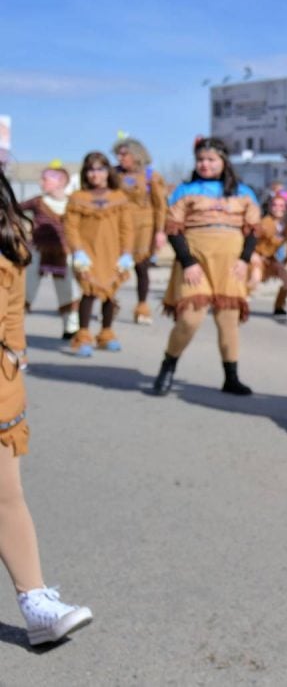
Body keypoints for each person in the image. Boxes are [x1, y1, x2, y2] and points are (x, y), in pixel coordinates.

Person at [0, 169, 94, 646]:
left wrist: (14, 359)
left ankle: (35, 603)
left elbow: (12, 314)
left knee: (5, 494)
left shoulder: (7, 234)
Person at [150, 137, 261, 397]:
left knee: (228, 322)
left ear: (223, 162)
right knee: (190, 319)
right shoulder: (185, 191)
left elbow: (253, 230)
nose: (205, 164)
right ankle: (168, 365)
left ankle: (231, 378)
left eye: (211, 159)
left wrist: (245, 260)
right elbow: (174, 229)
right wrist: (187, 262)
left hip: (231, 265)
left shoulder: (243, 193)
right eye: (200, 159)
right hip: (195, 263)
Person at [64, 152, 135, 358]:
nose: (95, 174)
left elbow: (127, 228)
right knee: (89, 291)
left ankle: (106, 333)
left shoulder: (119, 197)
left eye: (100, 169)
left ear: (108, 172)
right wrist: (77, 251)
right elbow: (71, 227)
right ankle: (83, 335)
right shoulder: (78, 198)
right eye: (91, 170)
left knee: (110, 292)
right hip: (87, 252)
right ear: (85, 173)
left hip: (113, 251)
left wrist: (127, 253)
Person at [20, 162, 81, 340]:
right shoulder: (37, 201)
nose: (41, 182)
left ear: (61, 181)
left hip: (64, 252)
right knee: (26, 288)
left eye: (45, 178)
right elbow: (14, 210)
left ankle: (71, 327)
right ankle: (14, 324)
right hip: (38, 250)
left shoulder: (73, 203)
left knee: (68, 290)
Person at [113, 136, 167, 325]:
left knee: (141, 267)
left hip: (144, 227)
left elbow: (160, 206)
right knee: (114, 266)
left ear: (136, 155)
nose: (120, 158)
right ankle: (109, 303)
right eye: (118, 154)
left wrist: (160, 231)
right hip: (118, 226)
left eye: (124, 154)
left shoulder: (151, 176)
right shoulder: (113, 175)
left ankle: (142, 307)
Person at [250, 192, 287, 316]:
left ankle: (279, 306)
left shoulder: (286, 227)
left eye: (281, 206)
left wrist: (285, 261)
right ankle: (241, 303)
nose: (278, 208)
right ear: (270, 207)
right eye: (275, 205)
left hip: (271, 258)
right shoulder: (264, 223)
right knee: (255, 278)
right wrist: (252, 256)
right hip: (256, 255)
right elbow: (251, 239)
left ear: (286, 208)